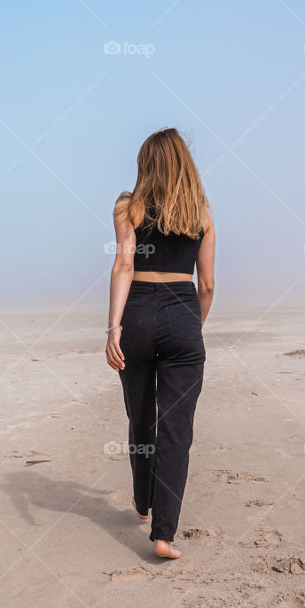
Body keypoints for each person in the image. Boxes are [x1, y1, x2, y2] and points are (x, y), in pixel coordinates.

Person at [105, 128, 215, 559]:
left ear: (145, 164)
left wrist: (114, 327)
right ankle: (164, 535)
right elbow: (207, 283)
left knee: (140, 415)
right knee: (176, 429)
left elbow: (124, 263)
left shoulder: (126, 206)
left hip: (137, 314)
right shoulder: (202, 213)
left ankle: (143, 499)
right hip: (183, 314)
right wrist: (193, 327)